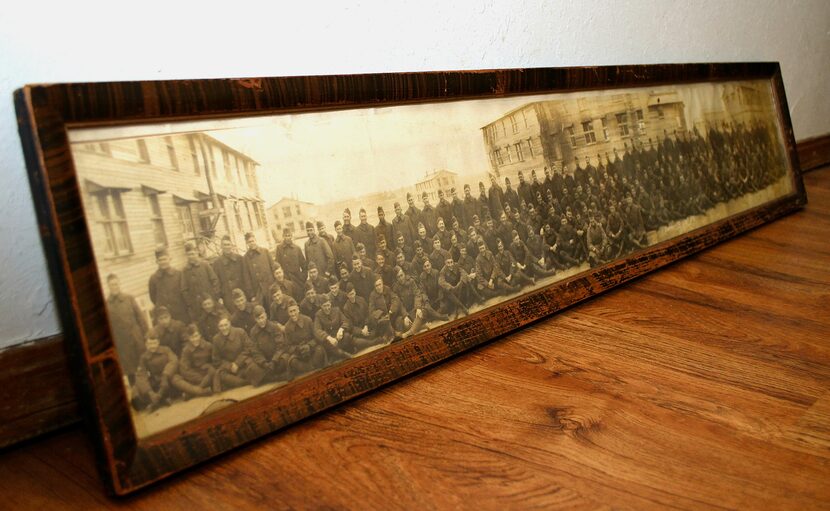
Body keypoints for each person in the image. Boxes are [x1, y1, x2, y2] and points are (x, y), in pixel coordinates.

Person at [106, 273, 148, 381]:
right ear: (108, 286)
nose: (114, 287)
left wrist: (146, 335)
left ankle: (149, 389)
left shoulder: (129, 298)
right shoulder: (107, 304)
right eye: (111, 285)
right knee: (130, 370)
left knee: (143, 365)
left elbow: (140, 318)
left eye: (116, 284)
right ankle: (136, 393)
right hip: (122, 343)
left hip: (136, 338)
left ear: (119, 284)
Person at [211, 315, 264, 392]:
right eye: (221, 326)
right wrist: (230, 366)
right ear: (218, 327)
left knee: (253, 367)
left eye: (226, 325)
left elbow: (249, 348)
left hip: (244, 364)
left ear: (230, 323)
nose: (224, 328)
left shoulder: (240, 332)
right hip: (230, 369)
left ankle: (241, 381)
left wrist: (237, 363)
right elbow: (216, 360)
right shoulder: (216, 339)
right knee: (220, 375)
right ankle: (245, 382)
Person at [393, 265, 447, 338]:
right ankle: (422, 327)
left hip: (417, 308)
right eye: (398, 277)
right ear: (396, 278)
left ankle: (409, 333)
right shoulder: (396, 288)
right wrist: (405, 315)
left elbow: (417, 294)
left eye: (401, 275)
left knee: (421, 313)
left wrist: (418, 307)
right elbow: (400, 303)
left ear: (404, 274)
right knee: (403, 323)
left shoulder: (411, 281)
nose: (401, 278)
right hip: (408, 312)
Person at [131, 331, 178, 411]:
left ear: (158, 342)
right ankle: (159, 399)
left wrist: (165, 375)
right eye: (150, 344)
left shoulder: (166, 350)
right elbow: (141, 374)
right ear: (146, 344)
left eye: (154, 343)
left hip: (168, 378)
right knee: (136, 392)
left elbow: (174, 361)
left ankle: (157, 402)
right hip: (156, 381)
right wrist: (149, 392)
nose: (152, 346)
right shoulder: (144, 357)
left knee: (175, 382)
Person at [248, 305, 292, 382]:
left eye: (262, 317)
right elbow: (255, 351)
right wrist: (264, 363)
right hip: (264, 362)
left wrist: (274, 361)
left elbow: (280, 345)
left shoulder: (274, 326)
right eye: (258, 319)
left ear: (266, 315)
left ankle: (269, 378)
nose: (261, 321)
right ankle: (278, 377)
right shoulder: (253, 332)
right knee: (252, 369)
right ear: (255, 319)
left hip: (277, 359)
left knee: (286, 360)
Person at [171, 324, 214, 398]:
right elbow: (184, 369)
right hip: (194, 376)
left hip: (207, 375)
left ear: (200, 335)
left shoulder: (208, 345)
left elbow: (215, 361)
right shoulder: (186, 350)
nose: (194, 339)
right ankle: (200, 391)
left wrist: (209, 368)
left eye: (196, 336)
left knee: (213, 371)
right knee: (175, 378)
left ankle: (191, 393)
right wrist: (198, 378)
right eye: (191, 337)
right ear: (188, 338)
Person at [284, 302, 327, 375]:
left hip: (312, 350)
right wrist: (297, 348)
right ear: (288, 313)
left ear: (298, 310)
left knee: (320, 350)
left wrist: (309, 345)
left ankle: (311, 368)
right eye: (290, 312)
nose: (293, 314)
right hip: (299, 354)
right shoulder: (287, 327)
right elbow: (288, 347)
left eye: (294, 310)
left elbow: (316, 337)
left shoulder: (308, 320)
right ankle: (311, 369)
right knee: (293, 362)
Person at [148, 248, 189, 323]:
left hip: (180, 313)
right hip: (165, 317)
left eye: (164, 259)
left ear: (169, 259)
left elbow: (184, 293)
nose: (163, 262)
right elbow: (153, 298)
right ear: (157, 262)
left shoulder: (178, 274)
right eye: (160, 260)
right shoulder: (153, 278)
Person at [181, 242, 220, 321]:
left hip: (210, 302)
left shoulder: (205, 265)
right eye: (189, 255)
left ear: (196, 253)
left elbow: (215, 280)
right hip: (197, 307)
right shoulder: (185, 270)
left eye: (192, 254)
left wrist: (214, 296)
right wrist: (191, 303)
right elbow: (184, 289)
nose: (191, 256)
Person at [212, 235, 251, 310]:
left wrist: (249, 293)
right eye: (224, 245)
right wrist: (219, 297)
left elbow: (246, 277)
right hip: (228, 298)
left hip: (242, 295)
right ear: (221, 246)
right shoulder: (217, 263)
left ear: (231, 246)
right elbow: (216, 283)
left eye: (228, 244)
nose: (227, 247)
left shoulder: (240, 259)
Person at [341, 283, 379, 351]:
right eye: (350, 295)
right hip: (358, 331)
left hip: (367, 326)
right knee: (357, 342)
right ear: (347, 295)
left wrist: (366, 326)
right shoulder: (346, 308)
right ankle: (374, 341)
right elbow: (350, 325)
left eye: (352, 293)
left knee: (374, 325)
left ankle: (370, 340)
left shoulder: (361, 299)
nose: (352, 296)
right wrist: (361, 331)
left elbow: (367, 314)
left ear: (355, 292)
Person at [243, 232, 275, 306]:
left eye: (253, 241)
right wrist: (252, 295)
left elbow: (273, 268)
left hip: (270, 287)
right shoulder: (246, 258)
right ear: (247, 243)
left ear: (255, 240)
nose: (252, 243)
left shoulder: (265, 252)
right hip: (258, 291)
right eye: (249, 242)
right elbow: (246, 277)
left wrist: (275, 285)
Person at [368, 276, 403, 343]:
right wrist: (381, 314)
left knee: (399, 320)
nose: (378, 287)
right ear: (374, 287)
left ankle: (391, 335)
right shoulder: (372, 295)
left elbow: (395, 298)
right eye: (376, 286)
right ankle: (393, 334)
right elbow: (371, 311)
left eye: (380, 284)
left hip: (392, 316)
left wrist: (391, 310)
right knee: (385, 321)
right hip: (382, 321)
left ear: (382, 283)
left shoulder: (387, 289)